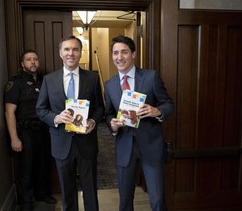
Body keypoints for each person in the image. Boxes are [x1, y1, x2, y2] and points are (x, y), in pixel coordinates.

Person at [104, 35, 174, 211]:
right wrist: (112, 125)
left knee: (157, 201)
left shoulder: (151, 77)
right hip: (124, 148)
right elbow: (108, 114)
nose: (119, 57)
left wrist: (157, 111)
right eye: (115, 53)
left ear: (133, 54)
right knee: (125, 201)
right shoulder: (109, 84)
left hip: (151, 146)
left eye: (124, 52)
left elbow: (169, 104)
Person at [36, 35, 104, 211]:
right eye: (67, 49)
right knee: (67, 190)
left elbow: (100, 109)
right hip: (61, 143)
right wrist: (56, 118)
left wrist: (93, 122)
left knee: (90, 189)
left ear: (81, 53)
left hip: (86, 142)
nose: (71, 53)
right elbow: (40, 110)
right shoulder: (49, 80)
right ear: (60, 53)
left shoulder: (92, 78)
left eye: (75, 49)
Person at [4, 49, 57, 211]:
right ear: (22, 64)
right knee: (26, 167)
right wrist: (14, 138)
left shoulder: (45, 81)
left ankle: (42, 193)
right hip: (26, 131)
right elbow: (9, 112)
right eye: (28, 59)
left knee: (43, 164)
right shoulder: (15, 83)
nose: (32, 62)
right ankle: (26, 201)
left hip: (44, 130)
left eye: (35, 59)